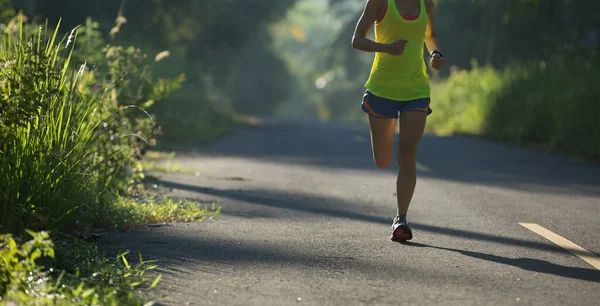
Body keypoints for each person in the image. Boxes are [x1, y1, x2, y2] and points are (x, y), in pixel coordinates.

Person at [351, 0, 445, 242]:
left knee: (407, 151)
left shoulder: (426, 3)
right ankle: (386, 148)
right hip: (382, 89)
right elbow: (357, 40)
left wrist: (435, 54)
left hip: (417, 89)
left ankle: (401, 218)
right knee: (383, 160)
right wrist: (387, 48)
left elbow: (430, 35)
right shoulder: (380, 2)